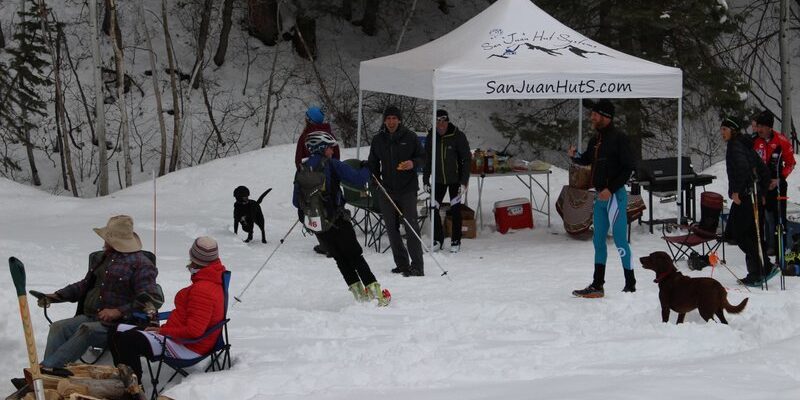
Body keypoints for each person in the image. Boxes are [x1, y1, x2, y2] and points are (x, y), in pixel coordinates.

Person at [35, 215, 162, 370]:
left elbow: (151, 299)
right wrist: (57, 296)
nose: (104, 242)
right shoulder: (103, 258)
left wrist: (118, 311)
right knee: (58, 327)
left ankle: (47, 370)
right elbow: (85, 285)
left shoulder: (142, 264)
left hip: (123, 325)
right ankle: (50, 374)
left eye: (107, 239)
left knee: (87, 330)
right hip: (94, 316)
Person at [109, 236, 226, 381]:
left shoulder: (202, 290)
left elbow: (194, 331)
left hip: (188, 347)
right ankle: (126, 380)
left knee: (128, 340)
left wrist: (162, 331)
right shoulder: (214, 277)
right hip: (183, 339)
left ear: (194, 258)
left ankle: (133, 388)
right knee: (116, 330)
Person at [293, 131, 389, 305]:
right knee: (355, 255)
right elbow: (359, 180)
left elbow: (295, 201)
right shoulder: (332, 165)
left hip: (317, 224)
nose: (332, 151)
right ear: (322, 148)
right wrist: (368, 167)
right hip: (337, 220)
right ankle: (377, 295)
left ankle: (359, 295)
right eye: (330, 147)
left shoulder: (302, 168)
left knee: (340, 258)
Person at [567, 99, 636, 298]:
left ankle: (630, 284)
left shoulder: (619, 138)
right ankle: (598, 284)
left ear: (606, 117)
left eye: (595, 115)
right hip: (600, 197)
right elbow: (588, 159)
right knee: (598, 241)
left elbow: (628, 167)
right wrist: (575, 156)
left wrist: (611, 188)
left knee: (621, 241)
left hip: (615, 196)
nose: (592, 117)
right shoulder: (596, 139)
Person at [368, 105, 426, 277]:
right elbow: (373, 163)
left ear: (399, 120)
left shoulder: (410, 137)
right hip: (387, 190)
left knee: (410, 227)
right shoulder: (378, 139)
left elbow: (423, 157)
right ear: (384, 121)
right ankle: (402, 264)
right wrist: (375, 182)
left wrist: (413, 163)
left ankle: (417, 266)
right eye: (388, 119)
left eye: (394, 118)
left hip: (407, 189)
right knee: (392, 229)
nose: (391, 122)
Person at [720, 117, 778, 286]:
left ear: (733, 130)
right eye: (721, 129)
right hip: (754, 196)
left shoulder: (735, 146)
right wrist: (764, 191)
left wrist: (736, 191)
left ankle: (764, 267)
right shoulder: (745, 145)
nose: (722, 133)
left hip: (746, 197)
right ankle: (756, 272)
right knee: (752, 235)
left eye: (725, 129)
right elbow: (763, 170)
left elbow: (744, 169)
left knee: (738, 233)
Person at [423, 109, 471, 253]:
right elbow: (427, 159)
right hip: (438, 180)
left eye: (443, 120)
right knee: (433, 208)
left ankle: (456, 240)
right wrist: (426, 179)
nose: (441, 124)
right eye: (438, 121)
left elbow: (466, 159)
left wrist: (463, 182)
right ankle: (438, 239)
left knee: (455, 209)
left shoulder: (457, 136)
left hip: (455, 180)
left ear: (447, 121)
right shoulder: (431, 136)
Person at [294, 106, 340, 257]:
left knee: (312, 210)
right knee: (330, 208)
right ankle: (333, 243)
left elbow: (299, 159)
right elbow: (336, 156)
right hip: (331, 179)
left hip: (311, 182)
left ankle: (326, 244)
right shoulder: (329, 134)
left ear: (308, 120)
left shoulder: (307, 135)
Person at [752, 110, 796, 256]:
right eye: (758, 126)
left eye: (763, 126)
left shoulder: (781, 140)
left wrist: (779, 179)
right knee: (761, 218)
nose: (759, 130)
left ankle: (780, 250)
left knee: (777, 218)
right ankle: (763, 248)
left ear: (770, 127)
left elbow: (791, 163)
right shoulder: (754, 141)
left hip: (776, 184)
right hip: (759, 185)